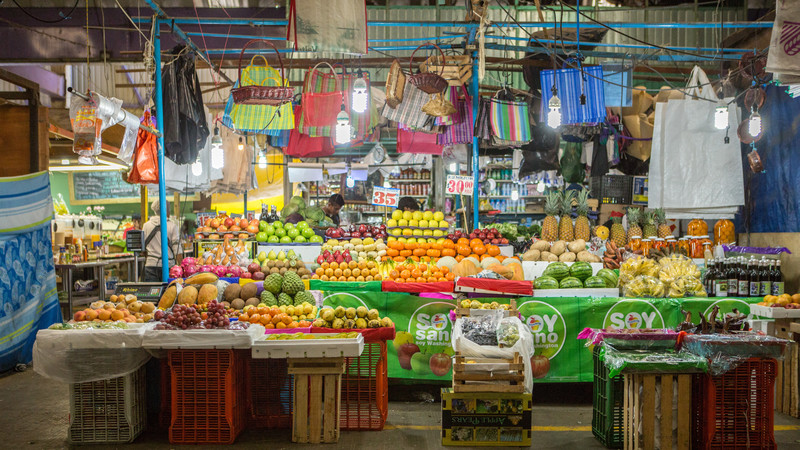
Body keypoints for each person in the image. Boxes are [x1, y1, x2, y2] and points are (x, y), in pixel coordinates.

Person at [141, 200, 180, 282]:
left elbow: (143, 248)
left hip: (150, 265)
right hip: (168, 266)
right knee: (167, 293)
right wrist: (180, 267)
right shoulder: (172, 226)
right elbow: (177, 250)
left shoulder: (146, 225)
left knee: (152, 293)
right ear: (167, 211)